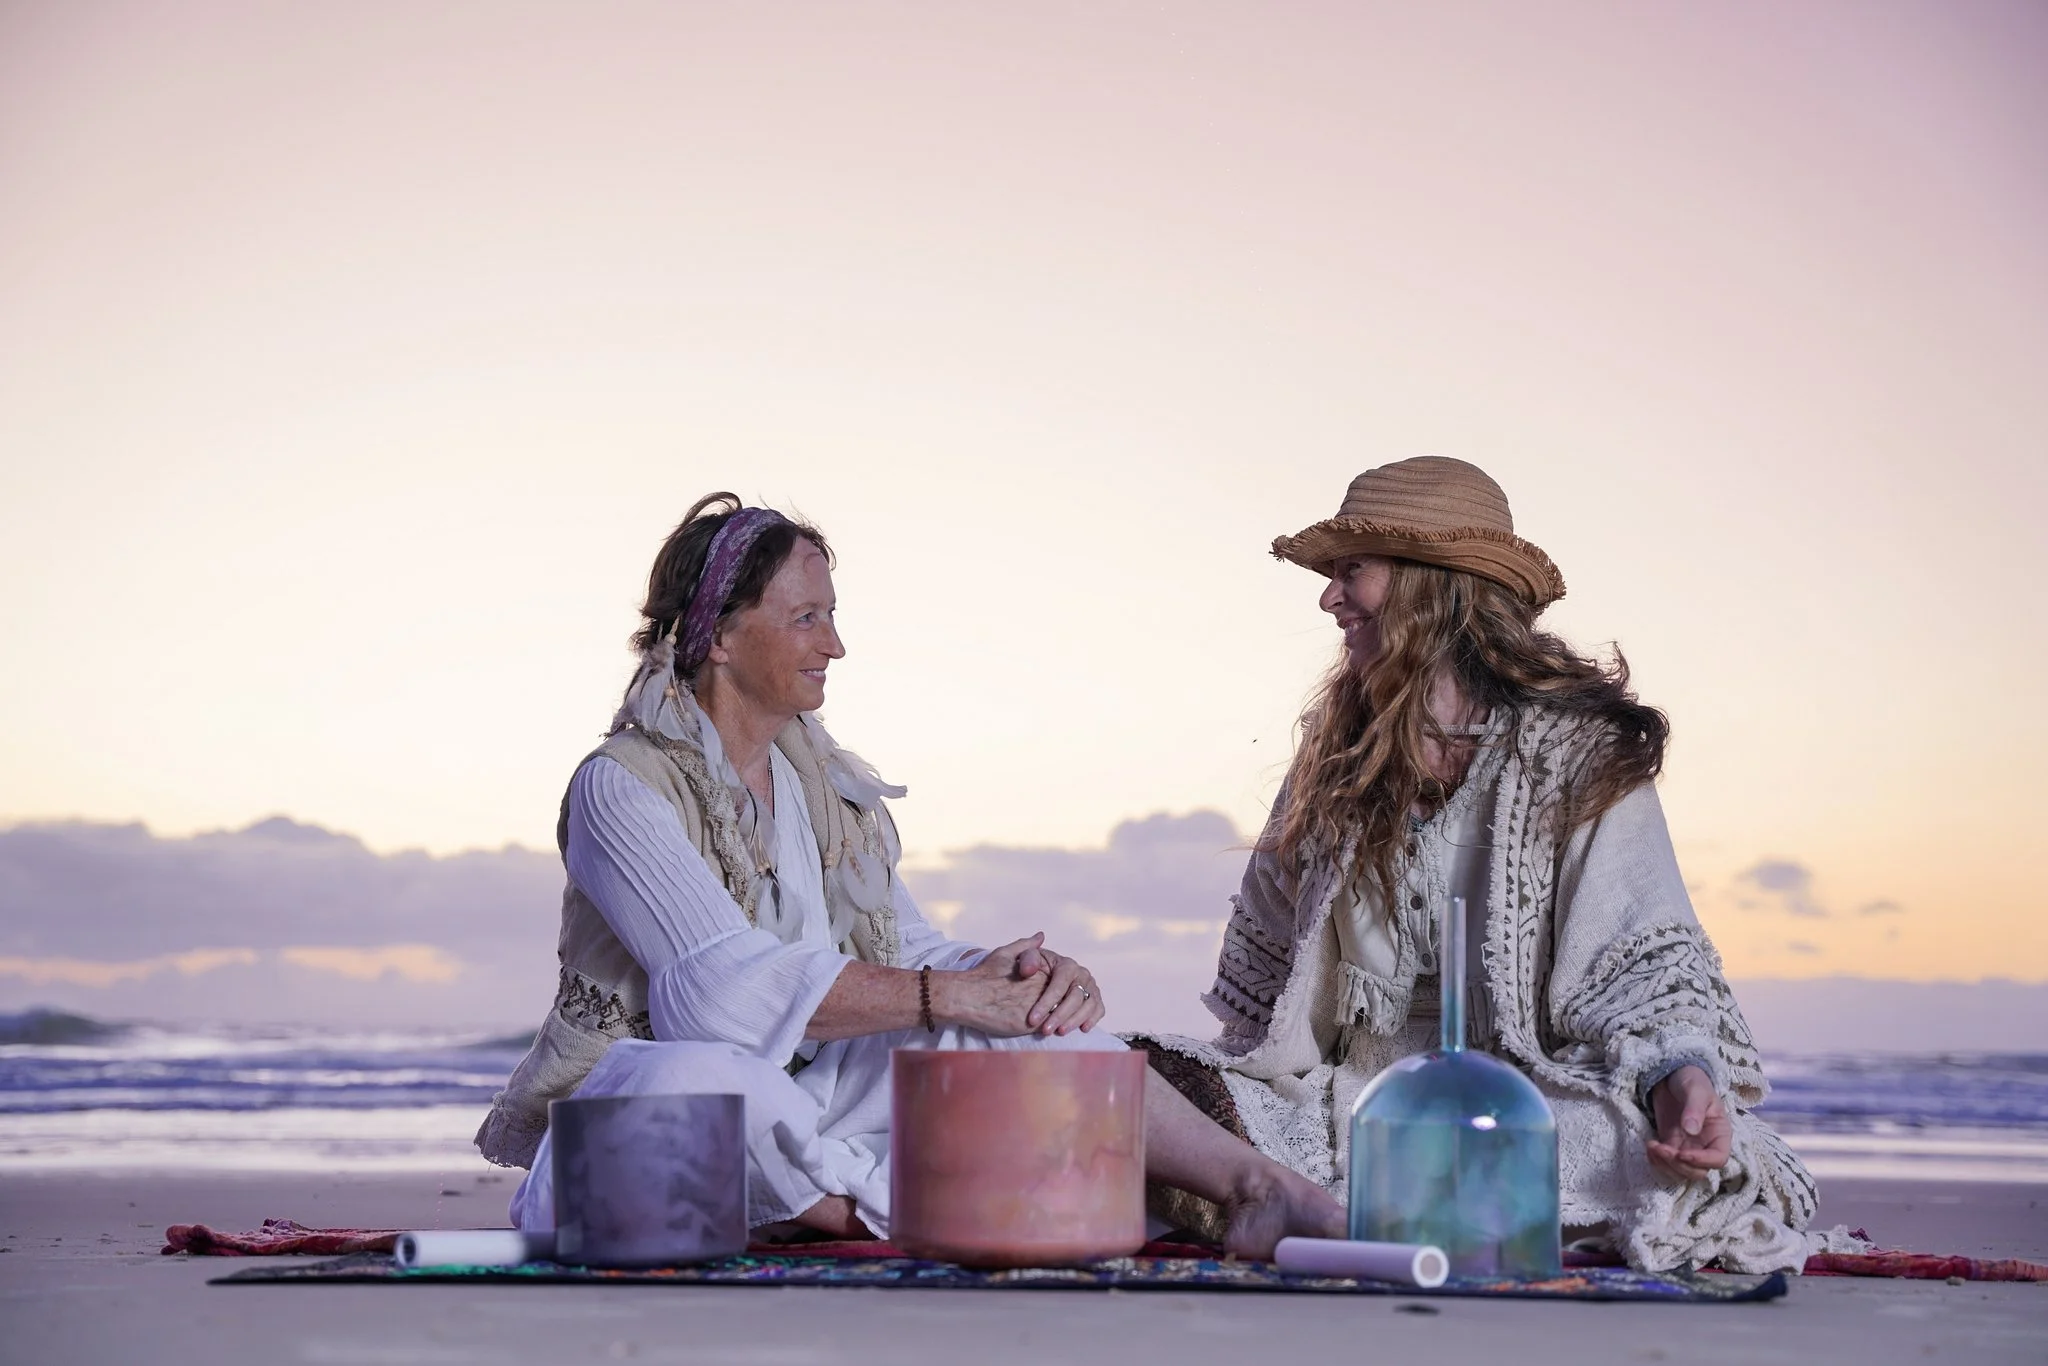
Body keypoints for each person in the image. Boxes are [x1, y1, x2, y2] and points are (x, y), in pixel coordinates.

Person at [477, 493, 1339, 1255]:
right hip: (665, 1107)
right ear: (721, 637)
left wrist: (1005, 979)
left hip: (812, 1094)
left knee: (1031, 1029)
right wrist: (951, 995)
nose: (836, 645)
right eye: (807, 618)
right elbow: (716, 998)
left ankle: (1259, 1189)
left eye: (831, 616)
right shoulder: (620, 785)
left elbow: (910, 948)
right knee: (699, 1082)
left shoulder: (825, 787)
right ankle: (880, 1208)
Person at [1135, 457, 1863, 1273]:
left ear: (1428, 585)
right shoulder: (1333, 757)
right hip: (1339, 1108)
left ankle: (1339, 1206)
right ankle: (1300, 1192)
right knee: (1118, 1079)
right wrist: (1225, 1097)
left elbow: (1646, 968)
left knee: (1687, 1165)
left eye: (1351, 571)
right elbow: (1269, 998)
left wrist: (1682, 1082)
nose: (1329, 599)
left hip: (1531, 1106)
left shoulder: (1581, 753)